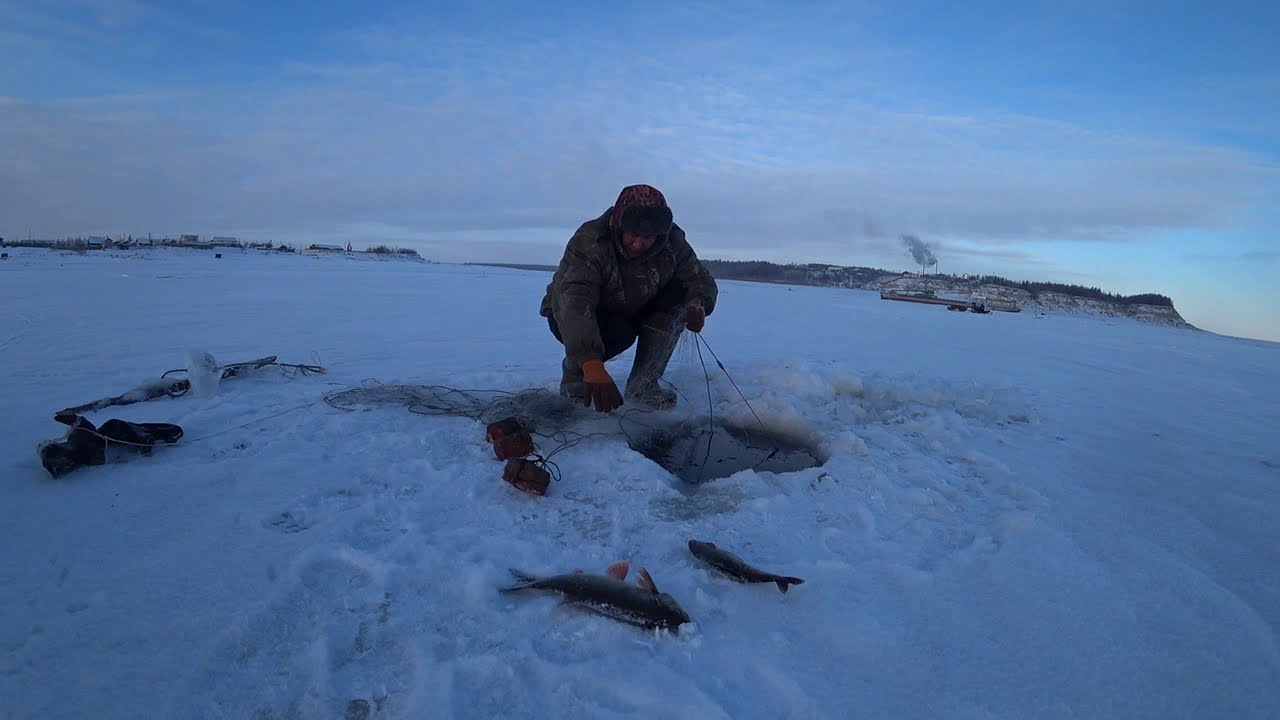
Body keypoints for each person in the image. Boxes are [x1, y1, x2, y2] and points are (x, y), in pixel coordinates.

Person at [540, 184, 718, 412]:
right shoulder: (590, 240)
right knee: (609, 334)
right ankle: (577, 382)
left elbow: (698, 278)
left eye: (648, 237)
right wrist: (591, 362)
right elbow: (573, 301)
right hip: (574, 313)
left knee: (677, 296)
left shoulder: (672, 240)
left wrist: (699, 304)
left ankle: (643, 385)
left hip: (633, 307)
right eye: (634, 234)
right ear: (619, 225)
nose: (639, 243)